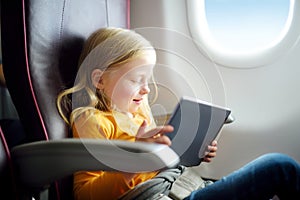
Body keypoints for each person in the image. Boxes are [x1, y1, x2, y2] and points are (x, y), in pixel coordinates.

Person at [57, 27, 300, 200]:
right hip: (156, 195)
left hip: (178, 185)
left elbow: (158, 162)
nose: (146, 88)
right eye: (135, 79)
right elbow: (86, 194)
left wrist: (190, 150)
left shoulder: (138, 110)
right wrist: (133, 161)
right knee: (279, 166)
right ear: (99, 80)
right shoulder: (93, 121)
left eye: (148, 79)